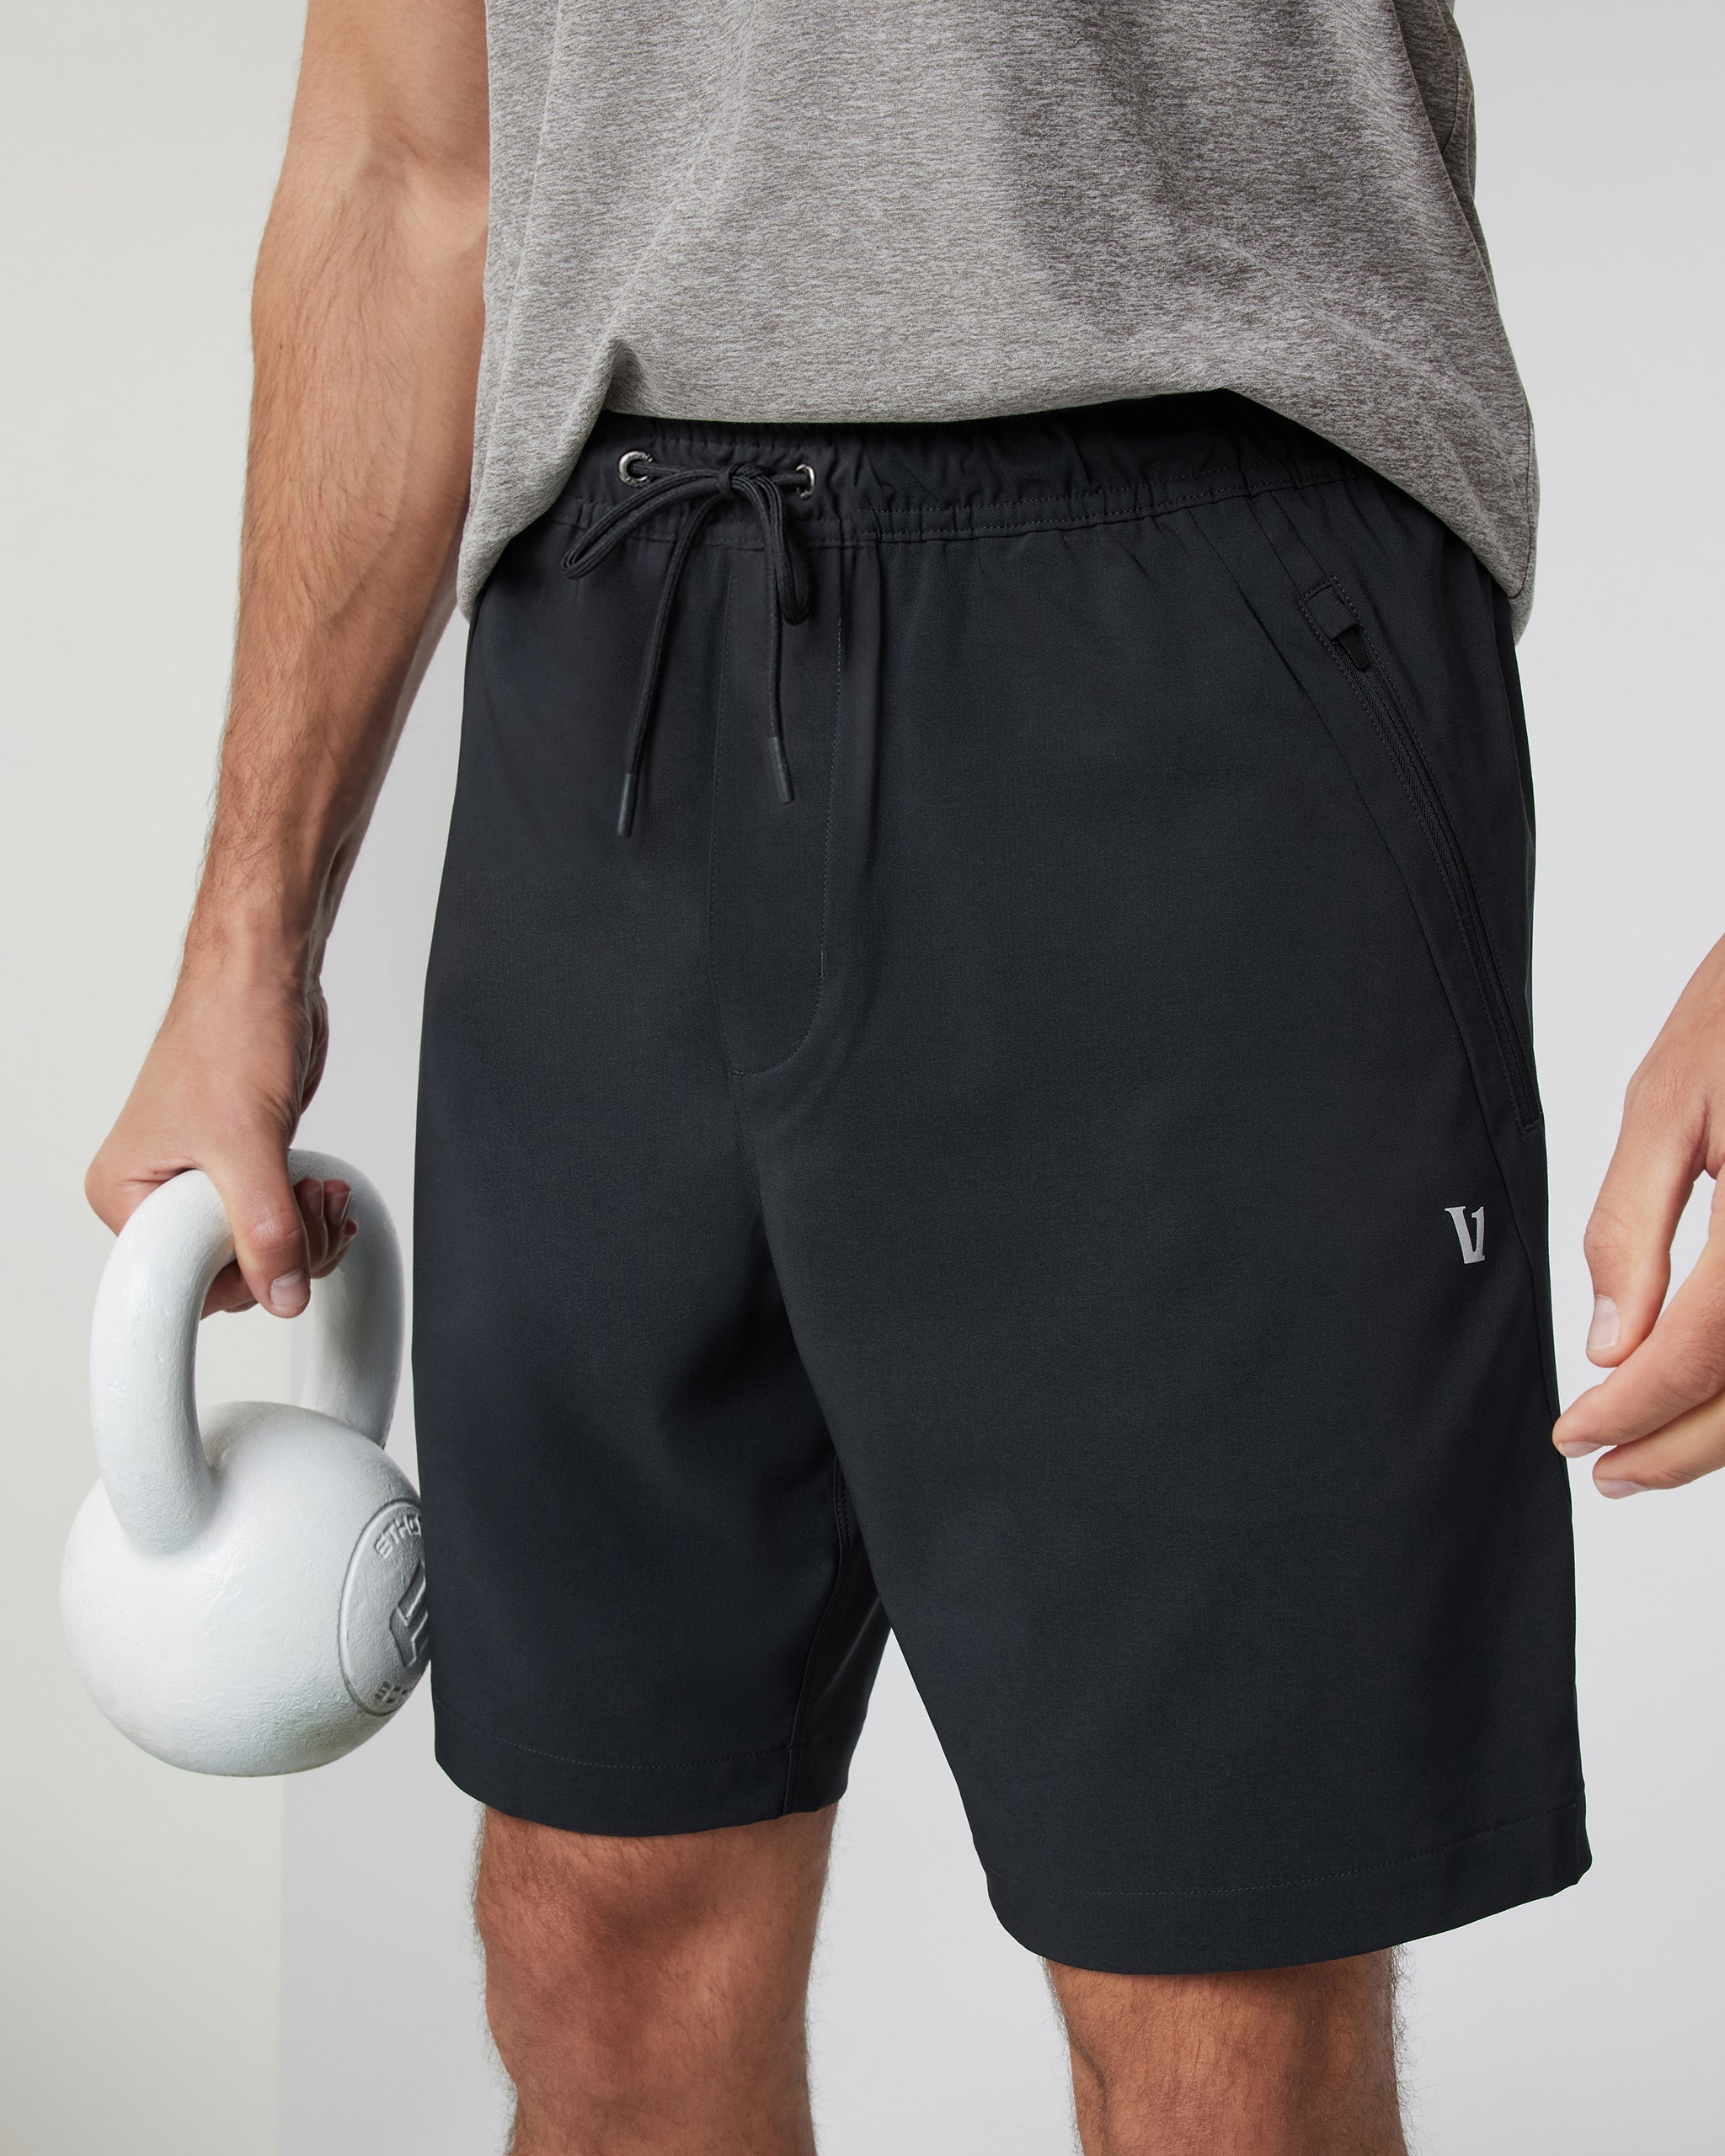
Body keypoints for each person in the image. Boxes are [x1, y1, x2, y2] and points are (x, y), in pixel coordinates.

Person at [81, 0, 1725, 2148]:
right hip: (613, 647)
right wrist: (246, 930)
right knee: (592, 1932)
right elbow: (406, 171)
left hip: (1190, 620)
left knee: (1214, 2024)